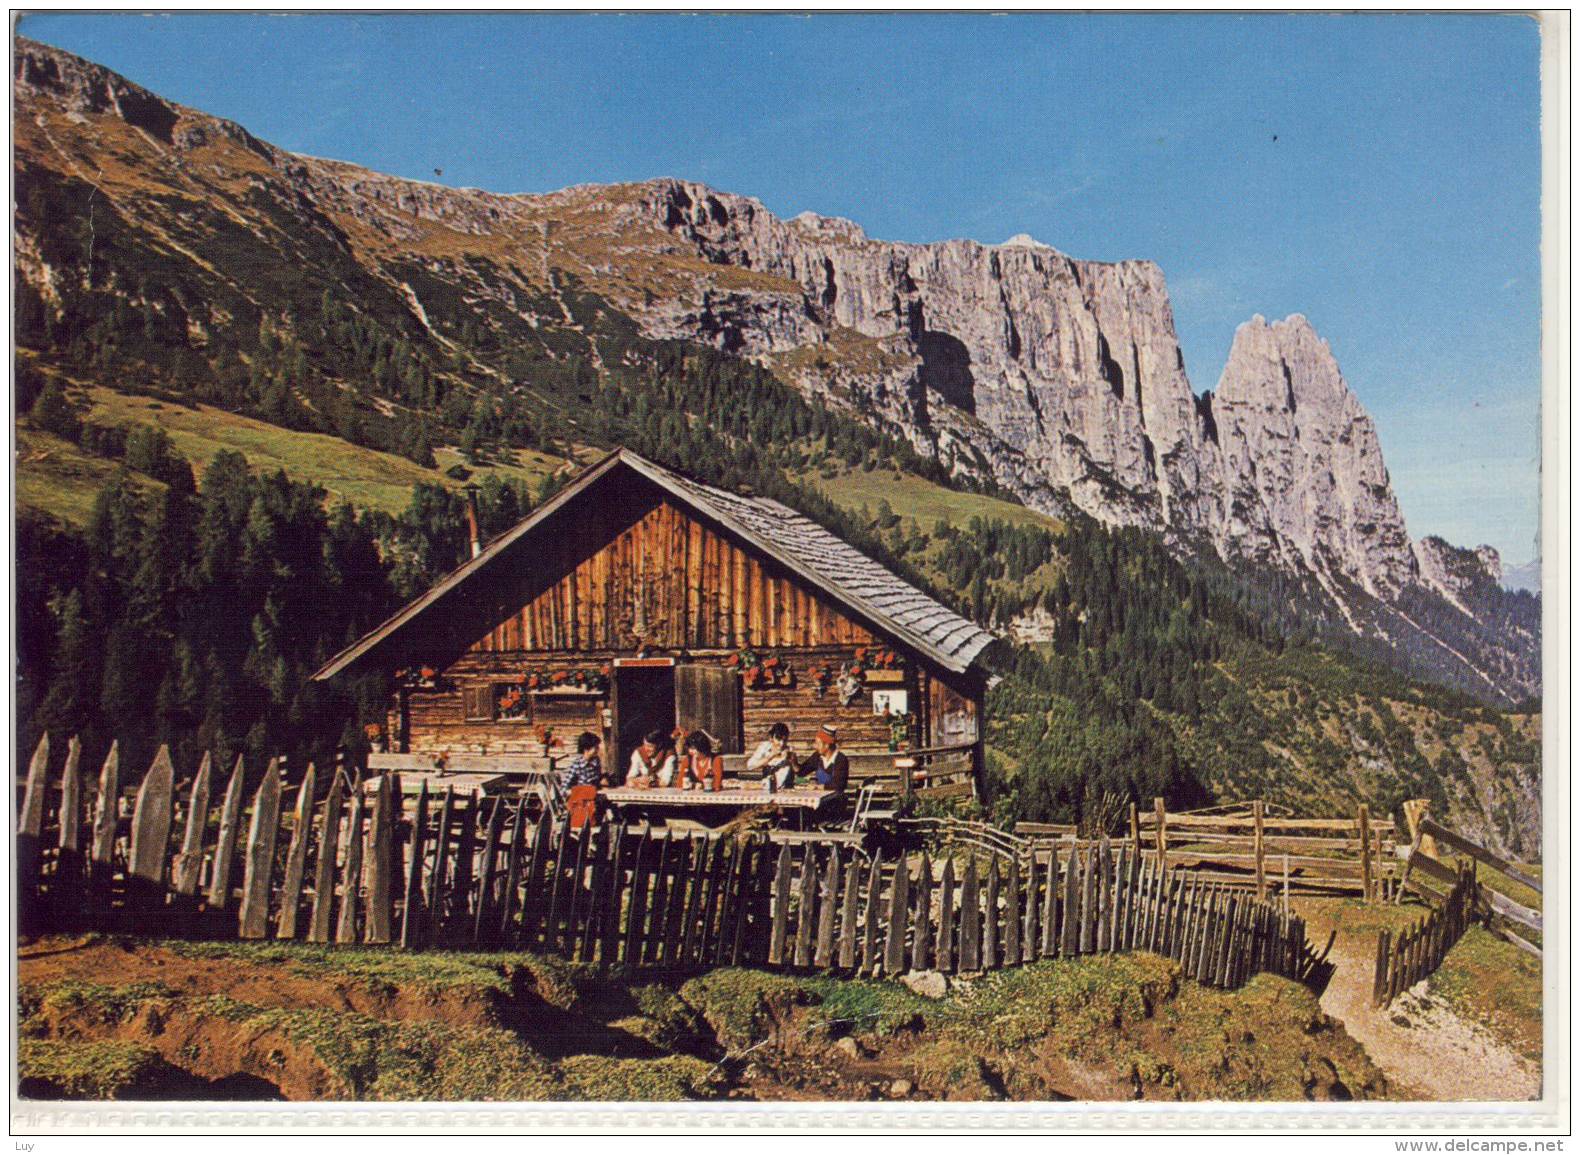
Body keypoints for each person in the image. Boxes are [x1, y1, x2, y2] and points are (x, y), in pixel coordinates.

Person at [746, 722, 798, 790]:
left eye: (785, 740)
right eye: (778, 740)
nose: (781, 743)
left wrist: (792, 761)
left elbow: (798, 771)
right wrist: (771, 756)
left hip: (785, 789)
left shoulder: (790, 750)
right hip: (767, 787)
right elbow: (750, 765)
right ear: (771, 738)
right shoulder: (765, 747)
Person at [801, 723, 849, 792]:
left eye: (818, 743)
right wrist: (793, 761)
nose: (815, 746)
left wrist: (817, 787)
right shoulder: (817, 756)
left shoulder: (841, 759)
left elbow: (839, 785)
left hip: (837, 799)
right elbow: (802, 772)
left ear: (827, 745)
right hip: (822, 797)